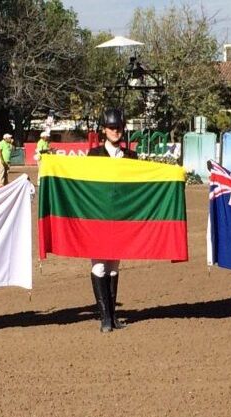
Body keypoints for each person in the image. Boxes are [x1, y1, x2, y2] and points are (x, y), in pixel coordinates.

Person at [86, 108, 136, 332]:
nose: (116, 132)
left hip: (120, 219)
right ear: (104, 130)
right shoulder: (93, 155)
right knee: (99, 265)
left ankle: (113, 316)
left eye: (119, 128)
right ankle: (104, 316)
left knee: (114, 266)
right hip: (98, 219)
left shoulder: (131, 157)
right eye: (112, 128)